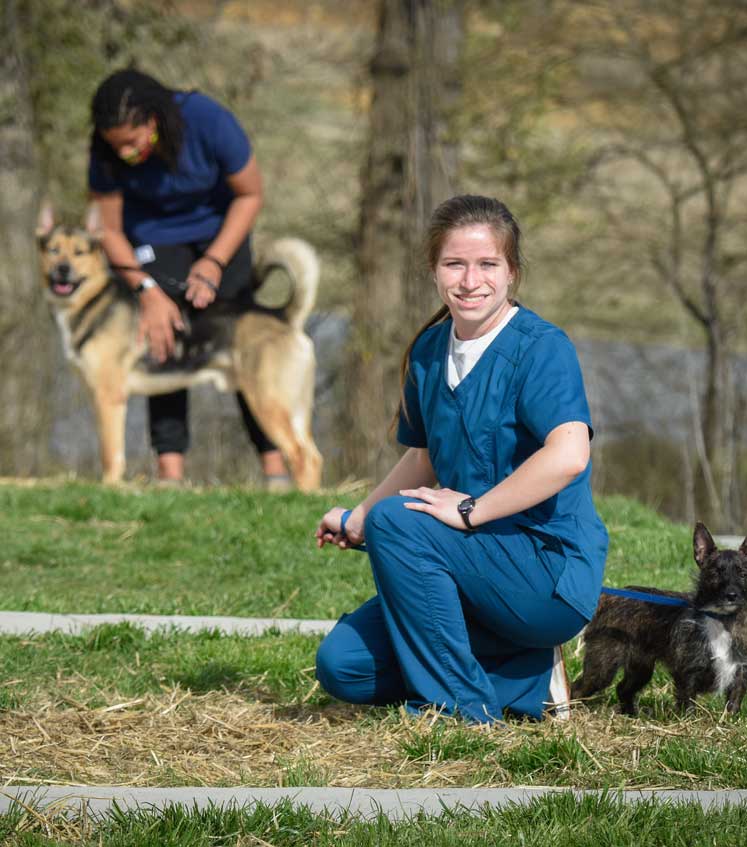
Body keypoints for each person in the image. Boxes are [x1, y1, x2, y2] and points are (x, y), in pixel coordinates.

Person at [314, 195, 608, 724]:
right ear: (433, 270)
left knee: (400, 522)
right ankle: (528, 676)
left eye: (487, 264)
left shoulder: (542, 348)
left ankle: (457, 710)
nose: (470, 280)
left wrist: (472, 510)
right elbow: (425, 457)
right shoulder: (429, 351)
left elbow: (568, 455)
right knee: (344, 665)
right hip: (468, 567)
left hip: (545, 574)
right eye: (455, 264)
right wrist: (358, 520)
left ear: (512, 272)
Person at [88, 68, 289, 485]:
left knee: (241, 342)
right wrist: (147, 291)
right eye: (115, 146)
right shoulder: (105, 150)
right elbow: (107, 229)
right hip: (150, 238)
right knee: (163, 337)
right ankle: (171, 473)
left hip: (221, 229)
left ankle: (275, 468)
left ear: (152, 120)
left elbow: (250, 195)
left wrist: (214, 261)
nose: (124, 154)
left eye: (131, 141)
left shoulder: (207, 119)